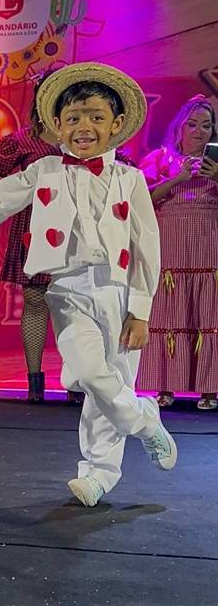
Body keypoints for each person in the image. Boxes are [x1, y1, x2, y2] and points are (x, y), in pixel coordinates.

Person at [0, 62, 178, 506]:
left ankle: (98, 474)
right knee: (90, 375)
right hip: (67, 290)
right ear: (56, 125)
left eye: (94, 117)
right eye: (72, 118)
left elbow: (147, 247)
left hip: (119, 290)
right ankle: (144, 418)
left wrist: (141, 310)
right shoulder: (45, 169)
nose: (83, 127)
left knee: (111, 380)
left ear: (117, 124)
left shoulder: (129, 179)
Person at [0, 74, 83, 404]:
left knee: (73, 306)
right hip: (34, 227)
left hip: (75, 229)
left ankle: (76, 380)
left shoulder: (84, 137)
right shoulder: (20, 142)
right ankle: (35, 381)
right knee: (36, 301)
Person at [136, 96, 218, 410]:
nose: (199, 131)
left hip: (208, 242)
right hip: (170, 240)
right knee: (170, 308)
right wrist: (179, 178)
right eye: (193, 124)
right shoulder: (161, 158)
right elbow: (143, 198)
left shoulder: (216, 163)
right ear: (180, 127)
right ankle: (164, 387)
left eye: (206, 126)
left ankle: (210, 389)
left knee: (208, 310)